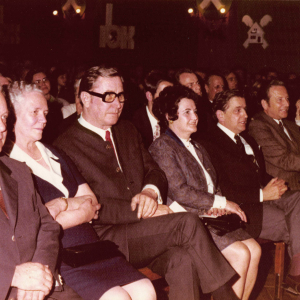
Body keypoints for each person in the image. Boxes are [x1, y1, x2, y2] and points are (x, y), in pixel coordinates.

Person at [54, 66, 241, 300]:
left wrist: (150, 193)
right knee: (187, 223)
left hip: (144, 233)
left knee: (182, 259)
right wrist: (144, 212)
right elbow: (90, 205)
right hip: (107, 236)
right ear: (85, 98)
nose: (117, 103)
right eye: (108, 96)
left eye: (120, 95)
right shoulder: (66, 145)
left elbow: (154, 171)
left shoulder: (127, 129)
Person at [6, 81, 156, 300]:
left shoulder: (53, 152)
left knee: (146, 290)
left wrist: (60, 206)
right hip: (57, 254)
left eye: (45, 112)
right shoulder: (8, 165)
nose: (44, 120)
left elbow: (92, 205)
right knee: (117, 298)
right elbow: (31, 226)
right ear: (11, 115)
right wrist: (74, 206)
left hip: (92, 248)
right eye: (35, 112)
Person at [149, 86, 261, 300]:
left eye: (195, 111)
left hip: (210, 217)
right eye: (187, 112)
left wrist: (218, 206)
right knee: (240, 254)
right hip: (189, 221)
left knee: (254, 250)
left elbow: (213, 184)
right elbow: (180, 191)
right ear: (169, 117)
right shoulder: (163, 147)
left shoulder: (197, 147)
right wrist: (221, 202)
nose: (195, 117)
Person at [201, 89, 300, 296]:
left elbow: (258, 174)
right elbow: (221, 188)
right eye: (238, 110)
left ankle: (297, 270)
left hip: (263, 200)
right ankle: (297, 272)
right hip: (244, 210)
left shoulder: (247, 139)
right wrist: (263, 194)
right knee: (294, 222)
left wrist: (274, 183)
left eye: (245, 109)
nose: (245, 115)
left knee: (298, 198)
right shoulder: (210, 144)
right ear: (221, 115)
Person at [0, 86, 82, 300]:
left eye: (3, 117)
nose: (1, 127)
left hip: (38, 286)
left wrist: (41, 269)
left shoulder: (17, 170)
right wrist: (11, 275)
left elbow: (47, 225)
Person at [248, 80, 300, 190]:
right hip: (286, 189)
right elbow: (284, 160)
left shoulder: (288, 124)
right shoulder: (258, 126)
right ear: (265, 104)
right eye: (280, 100)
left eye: (287, 99)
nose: (287, 104)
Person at [131, 70, 173, 149]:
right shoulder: (134, 124)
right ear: (149, 96)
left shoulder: (174, 121)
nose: (169, 100)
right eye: (163, 94)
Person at [25, 69, 68, 144]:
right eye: (38, 82)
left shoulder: (61, 103)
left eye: (45, 80)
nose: (43, 83)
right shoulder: (31, 109)